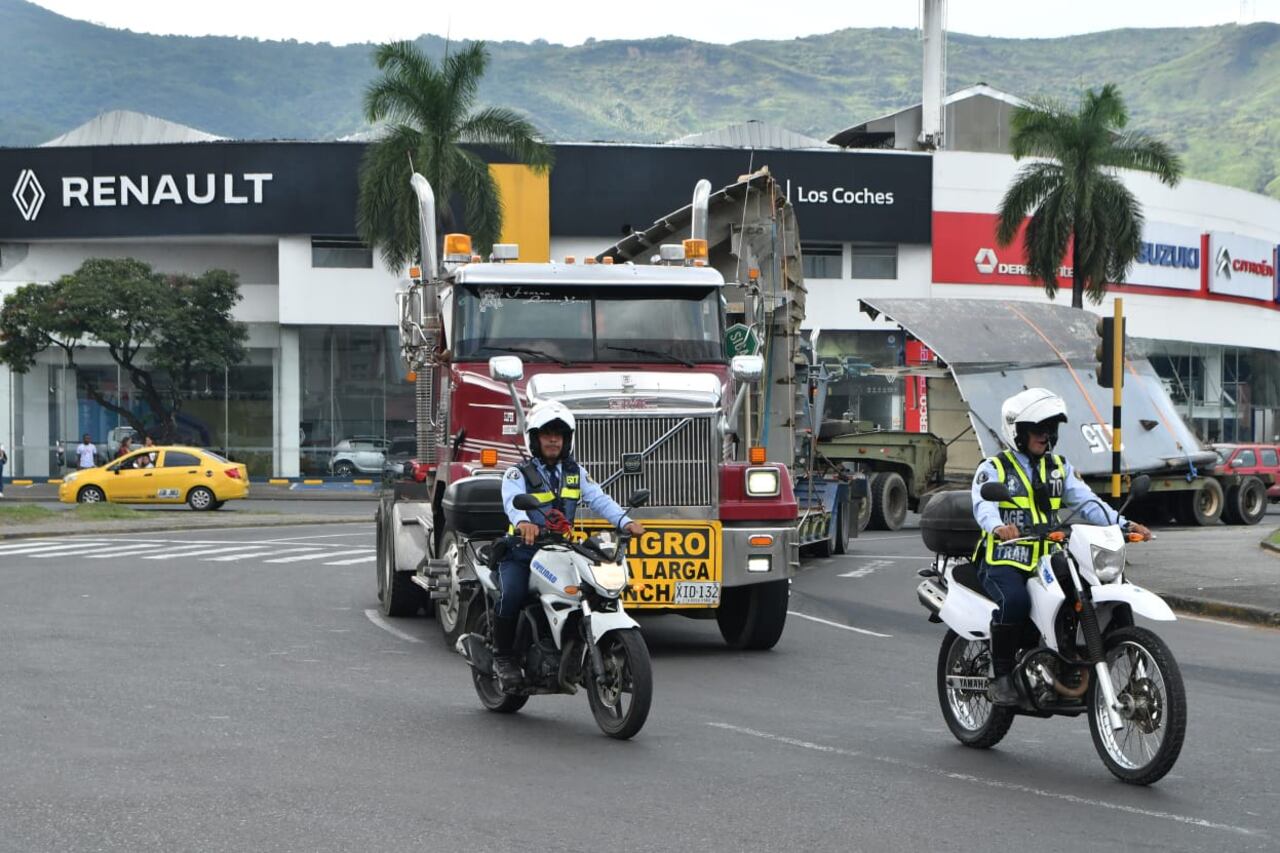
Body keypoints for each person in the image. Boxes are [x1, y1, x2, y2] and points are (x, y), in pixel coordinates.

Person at [971, 387, 1151, 706]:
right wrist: (998, 527)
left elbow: (1087, 502)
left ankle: (1105, 665)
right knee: (1014, 601)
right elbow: (983, 504)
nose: (1046, 434)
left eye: (1050, 428)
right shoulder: (994, 468)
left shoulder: (1059, 468)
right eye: (1038, 429)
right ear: (1019, 432)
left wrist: (1124, 524)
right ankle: (1000, 677)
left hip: (1048, 558)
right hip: (1005, 559)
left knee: (1096, 592)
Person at [493, 400, 646, 686]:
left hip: (561, 550)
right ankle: (503, 657)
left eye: (559, 435)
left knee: (589, 589)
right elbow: (512, 502)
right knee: (511, 594)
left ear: (567, 440)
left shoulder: (575, 472)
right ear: (534, 439)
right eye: (547, 434)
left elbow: (599, 499)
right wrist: (524, 522)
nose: (553, 439)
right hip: (521, 551)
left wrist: (624, 522)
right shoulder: (518, 474)